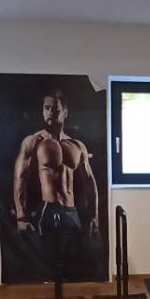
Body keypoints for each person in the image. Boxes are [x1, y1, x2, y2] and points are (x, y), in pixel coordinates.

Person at [12, 89, 100, 242]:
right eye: (47, 108)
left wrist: (94, 216)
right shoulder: (34, 141)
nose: (50, 112)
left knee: (75, 256)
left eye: (55, 109)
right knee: (49, 255)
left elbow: (89, 182)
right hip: (48, 210)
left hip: (72, 212)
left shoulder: (77, 146)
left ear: (65, 112)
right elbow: (20, 179)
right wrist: (21, 217)